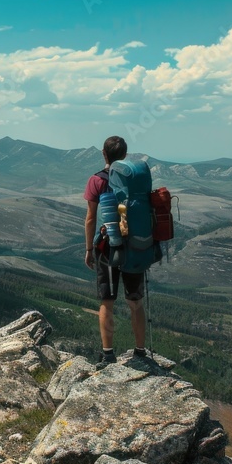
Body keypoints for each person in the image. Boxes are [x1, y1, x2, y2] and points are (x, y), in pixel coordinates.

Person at [84, 135, 148, 366]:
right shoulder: (135, 179)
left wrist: (89, 249)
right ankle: (140, 351)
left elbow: (91, 218)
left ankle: (108, 354)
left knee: (107, 301)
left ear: (104, 153)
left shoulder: (97, 180)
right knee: (135, 301)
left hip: (108, 248)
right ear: (124, 156)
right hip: (136, 246)